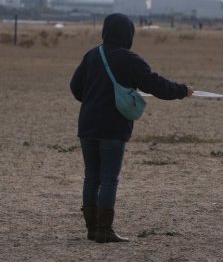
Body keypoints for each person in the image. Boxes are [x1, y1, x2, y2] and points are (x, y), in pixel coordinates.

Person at [70, 13, 194, 243]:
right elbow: (156, 85)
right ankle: (105, 230)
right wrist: (182, 90)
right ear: (129, 34)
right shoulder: (130, 59)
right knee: (109, 178)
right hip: (113, 128)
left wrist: (93, 100)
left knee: (91, 177)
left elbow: (75, 87)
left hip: (87, 126)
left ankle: (92, 228)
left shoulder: (92, 55)